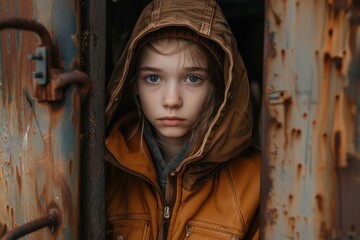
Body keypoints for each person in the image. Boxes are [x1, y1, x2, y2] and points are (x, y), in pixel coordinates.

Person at [104, 0, 261, 239]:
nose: (172, 100)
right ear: (133, 83)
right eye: (153, 78)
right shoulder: (105, 168)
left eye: (193, 79)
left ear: (218, 86)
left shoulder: (257, 180)